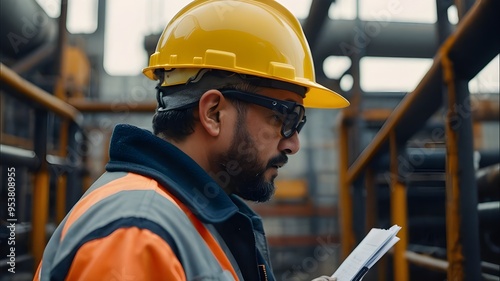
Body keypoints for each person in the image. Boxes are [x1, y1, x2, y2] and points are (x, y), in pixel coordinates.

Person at [34, 0, 349, 280]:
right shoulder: (137, 237)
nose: (293, 143)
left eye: (299, 123)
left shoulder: (186, 211)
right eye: (283, 118)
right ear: (213, 113)